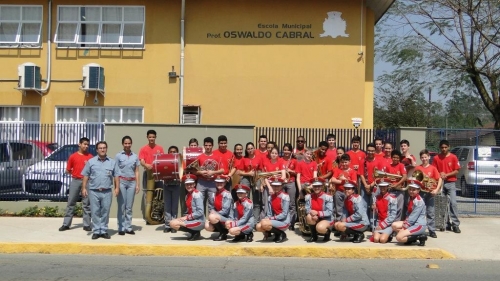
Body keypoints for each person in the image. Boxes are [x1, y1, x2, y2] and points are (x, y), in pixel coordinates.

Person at [81, 141, 117, 240]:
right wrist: (84, 188)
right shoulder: (91, 162)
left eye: (104, 147)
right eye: (100, 148)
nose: (102, 149)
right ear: (97, 150)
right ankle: (97, 231)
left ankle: (104, 230)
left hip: (107, 191)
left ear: (106, 149)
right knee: (95, 211)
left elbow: (116, 176)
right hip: (93, 191)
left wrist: (117, 187)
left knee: (105, 211)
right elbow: (86, 175)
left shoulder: (112, 162)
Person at [59, 137, 93, 232]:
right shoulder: (73, 156)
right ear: (79, 144)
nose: (86, 146)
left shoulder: (90, 157)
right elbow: (68, 170)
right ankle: (66, 224)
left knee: (87, 203)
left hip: (87, 181)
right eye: (84, 144)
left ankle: (86, 224)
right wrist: (75, 174)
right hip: (76, 180)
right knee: (71, 202)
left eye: (87, 144)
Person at [431, 140, 461, 234]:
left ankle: (455, 224)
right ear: (440, 148)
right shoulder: (436, 158)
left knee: (453, 203)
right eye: (442, 147)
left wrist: (446, 174)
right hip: (440, 183)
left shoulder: (453, 157)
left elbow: (456, 170)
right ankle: (445, 223)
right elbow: (434, 169)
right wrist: (440, 174)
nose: (444, 149)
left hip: (451, 183)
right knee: (441, 204)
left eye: (445, 147)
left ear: (449, 147)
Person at [114, 136, 140, 236]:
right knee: (121, 206)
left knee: (129, 207)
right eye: (125, 143)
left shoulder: (135, 156)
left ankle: (128, 227)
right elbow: (115, 172)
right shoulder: (118, 156)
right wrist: (116, 186)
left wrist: (137, 184)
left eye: (129, 143)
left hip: (132, 183)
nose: (127, 145)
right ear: (123, 144)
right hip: (122, 182)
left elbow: (137, 171)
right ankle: (121, 227)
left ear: (131, 144)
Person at [415, 149, 443, 238]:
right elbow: (415, 180)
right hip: (421, 192)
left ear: (429, 157)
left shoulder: (433, 168)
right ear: (420, 158)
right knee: (420, 212)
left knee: (430, 212)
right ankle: (420, 229)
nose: (424, 159)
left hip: (431, 193)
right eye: (422, 157)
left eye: (425, 157)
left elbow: (440, 180)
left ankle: (432, 230)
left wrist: (436, 190)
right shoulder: (418, 168)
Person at [392, 179, 427, 246]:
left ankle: (419, 237)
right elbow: (408, 214)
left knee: (399, 238)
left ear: (418, 190)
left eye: (414, 190)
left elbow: (413, 217)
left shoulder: (419, 202)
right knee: (394, 225)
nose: (411, 191)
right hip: (412, 223)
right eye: (410, 189)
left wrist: (404, 227)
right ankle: (410, 238)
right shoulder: (411, 198)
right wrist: (405, 224)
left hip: (418, 225)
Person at [139, 130, 165, 221]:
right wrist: (146, 165)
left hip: (158, 174)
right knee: (148, 194)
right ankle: (148, 216)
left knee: (160, 194)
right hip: (148, 173)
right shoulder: (143, 149)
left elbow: (162, 160)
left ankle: (158, 216)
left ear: (155, 137)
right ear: (147, 137)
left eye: (153, 137)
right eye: (150, 137)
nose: (151, 139)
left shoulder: (160, 148)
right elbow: (141, 161)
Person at [169, 174, 205, 241]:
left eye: (191, 184)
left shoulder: (197, 194)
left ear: (194, 184)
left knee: (175, 223)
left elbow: (200, 212)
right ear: (185, 186)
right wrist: (182, 218)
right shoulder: (187, 196)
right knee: (172, 223)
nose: (189, 186)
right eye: (187, 185)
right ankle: (194, 232)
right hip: (191, 219)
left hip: (199, 221)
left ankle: (196, 232)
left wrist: (186, 218)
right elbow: (189, 211)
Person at [256, 176, 290, 243]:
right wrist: (267, 218)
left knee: (264, 223)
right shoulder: (270, 197)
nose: (276, 187)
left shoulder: (285, 196)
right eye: (274, 186)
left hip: (284, 221)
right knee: (258, 226)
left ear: (281, 186)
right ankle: (277, 233)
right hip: (275, 220)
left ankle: (282, 234)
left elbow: (284, 214)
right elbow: (269, 213)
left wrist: (270, 219)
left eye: (278, 186)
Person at [195, 137, 224, 212]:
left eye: (209, 145)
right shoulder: (199, 157)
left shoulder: (217, 157)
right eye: (206, 145)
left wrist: (213, 172)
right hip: (201, 182)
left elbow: (222, 170)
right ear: (204, 146)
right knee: (199, 202)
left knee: (212, 203)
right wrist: (201, 172)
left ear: (212, 146)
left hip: (213, 182)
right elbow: (194, 171)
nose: (208, 147)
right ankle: (201, 221)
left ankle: (212, 221)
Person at [238, 142, 263, 223]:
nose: (250, 150)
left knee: (256, 201)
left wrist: (260, 181)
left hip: (256, 178)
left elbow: (261, 170)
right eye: (248, 149)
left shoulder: (259, 158)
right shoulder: (243, 159)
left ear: (254, 148)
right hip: (246, 178)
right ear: (246, 150)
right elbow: (239, 172)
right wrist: (248, 173)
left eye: (251, 148)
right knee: (245, 199)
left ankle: (255, 221)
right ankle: (246, 219)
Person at [330, 154, 358, 222]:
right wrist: (344, 181)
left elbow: (354, 182)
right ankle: (339, 221)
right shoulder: (337, 170)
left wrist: (343, 179)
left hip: (349, 193)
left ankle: (347, 221)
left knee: (348, 207)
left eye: (346, 162)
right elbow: (333, 180)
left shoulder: (353, 171)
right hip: (339, 192)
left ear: (349, 162)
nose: (344, 164)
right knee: (338, 208)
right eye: (342, 162)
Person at [305, 177, 334, 242]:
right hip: (315, 217)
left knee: (320, 228)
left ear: (322, 186)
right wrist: (312, 213)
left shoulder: (327, 197)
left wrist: (318, 213)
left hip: (326, 219)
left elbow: (329, 212)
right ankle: (314, 236)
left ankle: (327, 233)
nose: (316, 188)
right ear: (312, 187)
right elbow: (307, 209)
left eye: (318, 186)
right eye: (315, 186)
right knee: (309, 217)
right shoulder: (309, 196)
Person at [205, 175, 233, 241]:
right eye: (217, 182)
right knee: (207, 226)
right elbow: (211, 207)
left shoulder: (227, 194)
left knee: (212, 217)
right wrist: (212, 212)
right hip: (218, 217)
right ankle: (223, 231)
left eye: (221, 182)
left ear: (225, 183)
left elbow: (225, 211)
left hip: (227, 218)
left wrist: (214, 214)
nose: (219, 184)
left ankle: (223, 233)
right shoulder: (213, 194)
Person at [261, 147, 286, 219]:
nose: (274, 155)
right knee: (266, 203)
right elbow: (264, 177)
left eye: (276, 153)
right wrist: (270, 188)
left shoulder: (281, 162)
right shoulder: (266, 163)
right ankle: (266, 218)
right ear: (270, 153)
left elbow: (283, 176)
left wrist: (276, 184)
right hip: (269, 186)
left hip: (278, 186)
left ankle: (277, 218)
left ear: (278, 154)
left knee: (277, 203)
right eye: (272, 153)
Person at [372, 178, 397, 244]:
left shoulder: (392, 198)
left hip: (388, 224)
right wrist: (374, 208)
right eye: (381, 186)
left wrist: (382, 225)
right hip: (379, 222)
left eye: (384, 186)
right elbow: (377, 214)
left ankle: (389, 235)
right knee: (376, 239)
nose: (382, 188)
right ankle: (383, 235)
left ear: (387, 187)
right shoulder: (376, 197)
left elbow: (393, 215)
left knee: (382, 240)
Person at [163, 145, 181, 233]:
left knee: (174, 206)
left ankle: (174, 225)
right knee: (167, 206)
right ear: (168, 152)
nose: (172, 153)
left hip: (176, 185)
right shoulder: (165, 161)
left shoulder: (180, 162)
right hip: (166, 185)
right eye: (171, 151)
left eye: (174, 151)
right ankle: (167, 225)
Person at [387, 150, 408, 221]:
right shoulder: (388, 166)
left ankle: (396, 224)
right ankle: (390, 223)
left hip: (399, 190)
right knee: (390, 208)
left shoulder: (401, 166)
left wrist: (397, 184)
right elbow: (385, 177)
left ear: (399, 158)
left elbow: (405, 177)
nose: (395, 159)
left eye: (397, 158)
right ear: (391, 157)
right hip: (390, 190)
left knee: (399, 208)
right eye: (394, 157)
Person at [281, 143, 298, 230]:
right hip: (282, 183)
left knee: (291, 203)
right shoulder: (280, 160)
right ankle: (283, 221)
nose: (286, 151)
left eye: (288, 150)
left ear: (291, 151)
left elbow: (298, 173)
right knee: (283, 203)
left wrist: (291, 170)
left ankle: (292, 223)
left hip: (291, 182)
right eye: (285, 149)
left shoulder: (294, 161)